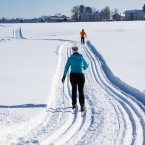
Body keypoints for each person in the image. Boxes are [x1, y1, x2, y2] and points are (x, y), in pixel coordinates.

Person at [62, 46, 88, 112]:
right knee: (81, 91)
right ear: (78, 50)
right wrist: (83, 68)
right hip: (81, 75)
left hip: (73, 75)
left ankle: (74, 104)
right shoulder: (81, 57)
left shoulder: (70, 58)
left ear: (72, 51)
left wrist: (64, 76)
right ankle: (82, 105)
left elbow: (66, 67)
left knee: (74, 90)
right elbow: (86, 65)